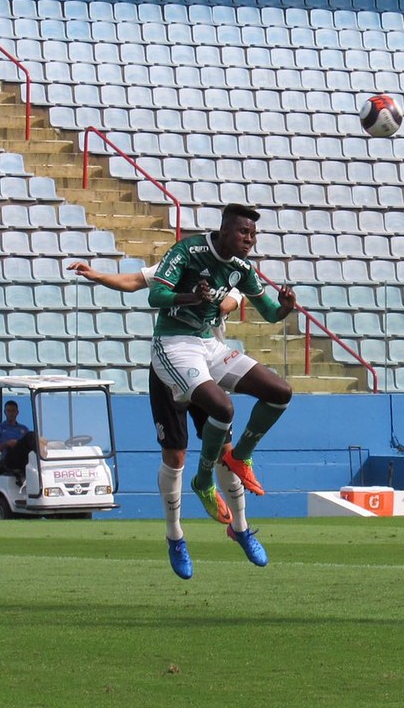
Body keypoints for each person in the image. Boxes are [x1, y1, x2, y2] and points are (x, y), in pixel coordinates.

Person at [69, 260, 267, 578]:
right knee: (175, 456)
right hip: (167, 367)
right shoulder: (177, 266)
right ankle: (175, 536)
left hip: (205, 367)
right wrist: (98, 275)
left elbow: (230, 301)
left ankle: (241, 528)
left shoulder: (231, 273)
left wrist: (205, 297)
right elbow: (135, 280)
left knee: (225, 452)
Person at [148, 204, 296, 561]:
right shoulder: (189, 250)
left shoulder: (241, 269)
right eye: (245, 233)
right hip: (174, 346)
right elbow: (155, 296)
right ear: (226, 229)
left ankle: (240, 487)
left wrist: (285, 308)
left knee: (280, 392)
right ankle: (177, 535)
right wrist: (191, 297)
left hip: (208, 345)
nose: (251, 240)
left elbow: (271, 313)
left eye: (254, 235)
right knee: (192, 438)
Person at [0, 400, 34, 482]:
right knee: (29, 436)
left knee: (31, 435)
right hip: (8, 458)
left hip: (23, 457)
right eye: (8, 411)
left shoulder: (23, 428)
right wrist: (7, 444)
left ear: (17, 412)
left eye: (13, 411)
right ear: (5, 412)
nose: (11, 413)